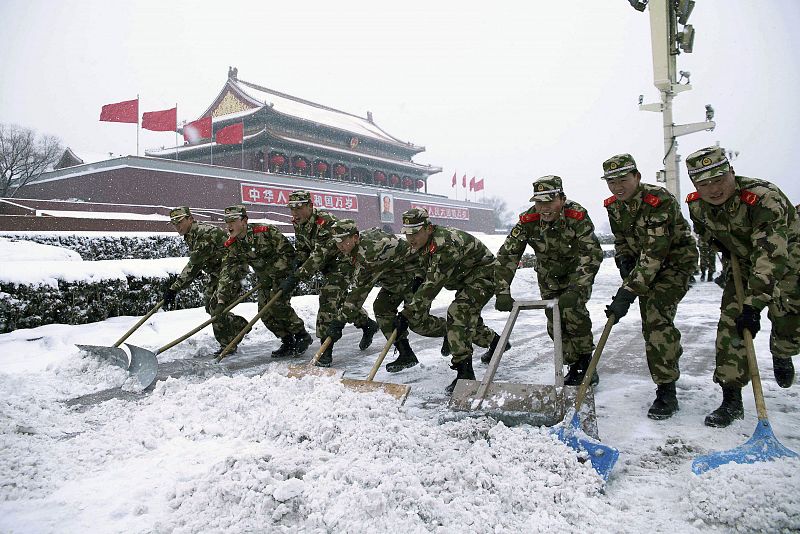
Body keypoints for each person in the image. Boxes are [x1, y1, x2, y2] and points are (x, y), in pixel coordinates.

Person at [685, 146, 799, 427]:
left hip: (788, 260)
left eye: (718, 179)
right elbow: (705, 233)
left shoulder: (763, 199)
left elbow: (771, 254)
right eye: (703, 183)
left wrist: (754, 304)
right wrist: (722, 248)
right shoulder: (697, 205)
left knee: (787, 318)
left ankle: (782, 352)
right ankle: (731, 398)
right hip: (744, 265)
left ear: (731, 173)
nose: (713, 189)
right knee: (732, 324)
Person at [602, 153, 698, 420]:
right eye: (611, 182)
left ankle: (666, 390)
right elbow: (621, 239)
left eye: (623, 179)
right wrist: (623, 262)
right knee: (654, 321)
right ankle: (667, 353)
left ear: (637, 177)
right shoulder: (614, 206)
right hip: (644, 265)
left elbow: (656, 251)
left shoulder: (659, 200)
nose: (617, 187)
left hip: (674, 264)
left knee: (655, 315)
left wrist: (629, 290)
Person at [495, 175, 603, 385]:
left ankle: (585, 363)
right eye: (539, 202)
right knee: (554, 319)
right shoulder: (528, 220)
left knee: (574, 314)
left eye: (549, 202)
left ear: (561, 199)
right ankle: (573, 363)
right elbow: (508, 254)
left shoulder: (576, 215)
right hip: (548, 275)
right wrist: (502, 291)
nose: (544, 208)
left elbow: (591, 253)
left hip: (576, 271)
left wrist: (577, 288)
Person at [395, 208, 500, 394]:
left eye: (415, 233)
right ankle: (496, 342)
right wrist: (414, 294)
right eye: (407, 233)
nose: (411, 238)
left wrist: (408, 312)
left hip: (484, 275)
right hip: (463, 277)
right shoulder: (422, 243)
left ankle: (465, 374)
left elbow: (433, 284)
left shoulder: (444, 244)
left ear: (428, 228)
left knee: (458, 312)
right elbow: (424, 274)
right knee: (466, 323)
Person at [324, 219, 448, 372]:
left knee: (417, 322)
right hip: (395, 279)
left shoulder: (369, 253)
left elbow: (357, 295)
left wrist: (338, 323)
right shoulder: (355, 246)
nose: (340, 246)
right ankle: (405, 354)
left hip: (416, 276)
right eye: (337, 242)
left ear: (355, 238)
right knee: (382, 308)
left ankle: (450, 329)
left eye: (343, 241)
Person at [278, 191, 379, 367]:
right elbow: (303, 249)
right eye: (291, 208)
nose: (294, 213)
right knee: (339, 303)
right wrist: (296, 265)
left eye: (299, 208)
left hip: (344, 262)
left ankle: (325, 349)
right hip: (328, 267)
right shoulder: (299, 223)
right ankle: (367, 324)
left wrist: (297, 276)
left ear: (310, 206)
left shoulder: (325, 222)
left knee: (328, 298)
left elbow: (319, 254)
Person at [217, 204, 312, 358]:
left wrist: (273, 273)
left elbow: (288, 254)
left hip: (285, 274)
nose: (229, 225)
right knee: (264, 312)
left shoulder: (265, 231)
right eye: (227, 221)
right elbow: (228, 271)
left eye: (233, 220)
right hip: (265, 279)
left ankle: (302, 335)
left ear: (244, 221)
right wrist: (221, 298)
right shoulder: (233, 244)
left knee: (278, 305)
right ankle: (287, 341)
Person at [163, 206, 248, 356]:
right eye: (174, 224)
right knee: (210, 306)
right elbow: (200, 261)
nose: (177, 227)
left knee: (217, 308)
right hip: (218, 272)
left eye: (180, 222)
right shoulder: (191, 234)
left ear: (190, 219)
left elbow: (194, 265)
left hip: (232, 270)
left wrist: (174, 289)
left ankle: (228, 345)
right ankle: (238, 325)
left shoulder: (203, 234)